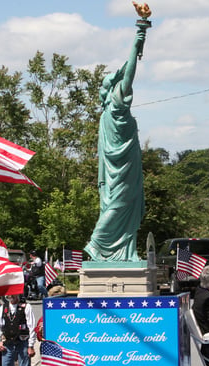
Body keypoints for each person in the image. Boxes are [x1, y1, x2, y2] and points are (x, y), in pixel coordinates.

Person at [84, 22, 147, 262]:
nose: (125, 86)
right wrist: (139, 35)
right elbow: (130, 71)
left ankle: (125, 252)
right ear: (114, 90)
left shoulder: (105, 115)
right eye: (119, 83)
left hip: (120, 169)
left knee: (122, 204)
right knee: (118, 205)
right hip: (120, 170)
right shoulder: (117, 106)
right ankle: (96, 243)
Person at [0, 294, 36, 366]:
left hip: (22, 342)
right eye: (8, 295)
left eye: (13, 294)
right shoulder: (2, 308)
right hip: (7, 343)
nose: (10, 296)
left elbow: (32, 327)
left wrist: (31, 345)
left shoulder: (26, 307)